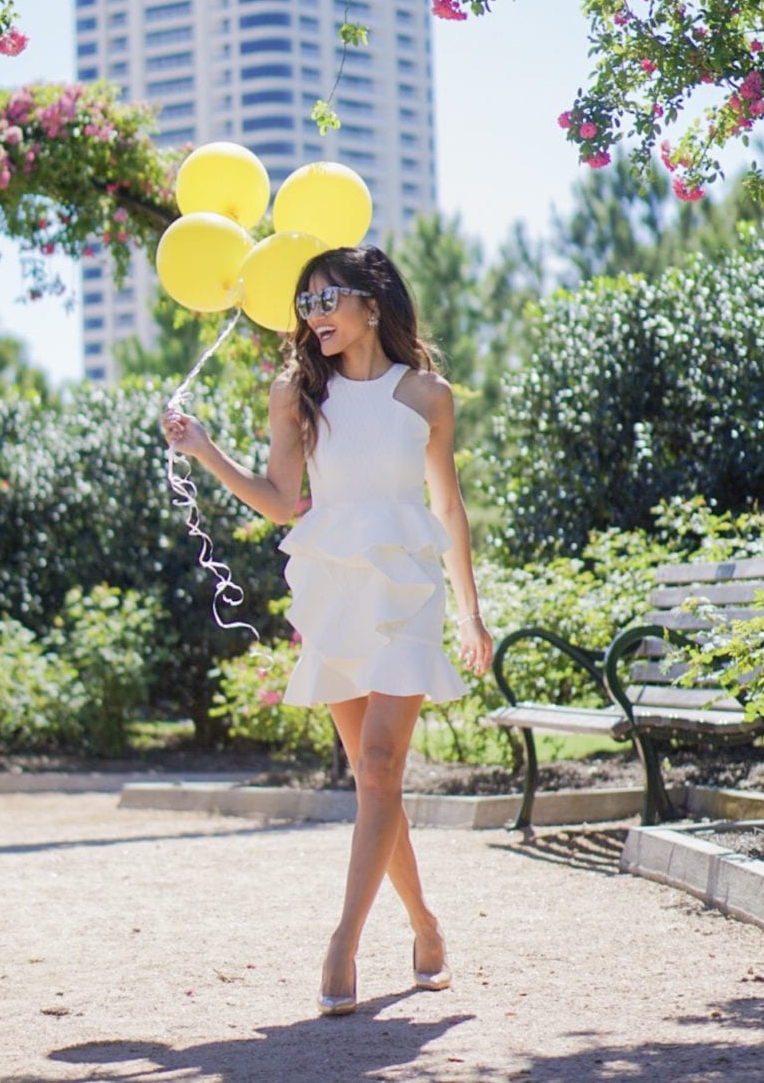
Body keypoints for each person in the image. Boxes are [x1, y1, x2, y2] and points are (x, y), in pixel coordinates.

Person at [162, 244, 493, 1016]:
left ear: (371, 305)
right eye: (304, 304)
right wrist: (205, 449)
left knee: (381, 762)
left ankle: (342, 940)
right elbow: (282, 501)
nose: (313, 316)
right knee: (373, 779)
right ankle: (425, 925)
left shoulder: (427, 395)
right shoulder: (295, 393)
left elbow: (448, 507)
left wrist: (470, 611)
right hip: (332, 587)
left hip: (406, 586)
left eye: (326, 299)